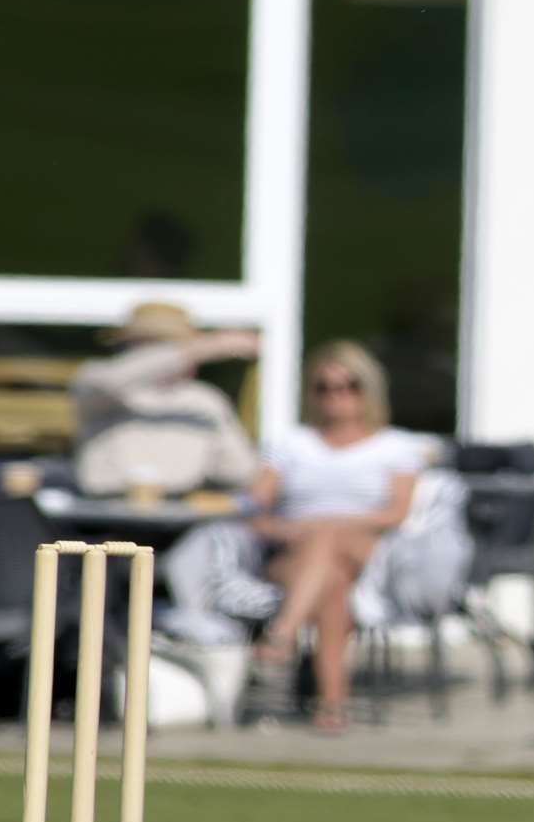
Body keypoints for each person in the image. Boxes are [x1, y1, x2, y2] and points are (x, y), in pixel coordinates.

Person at [246, 341, 429, 732]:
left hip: (367, 549)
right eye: (324, 387)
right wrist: (292, 529)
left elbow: (397, 513)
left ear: (369, 390)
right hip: (295, 553)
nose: (336, 396)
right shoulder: (291, 444)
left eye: (349, 386)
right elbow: (255, 507)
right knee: (332, 582)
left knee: (329, 541)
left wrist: (328, 525)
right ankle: (331, 704)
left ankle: (283, 633)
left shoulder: (395, 446)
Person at [71, 301, 260, 497]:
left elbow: (239, 471)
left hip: (180, 514)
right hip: (100, 513)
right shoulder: (99, 382)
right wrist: (213, 346)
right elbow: (113, 380)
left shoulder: (204, 399)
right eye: (168, 348)